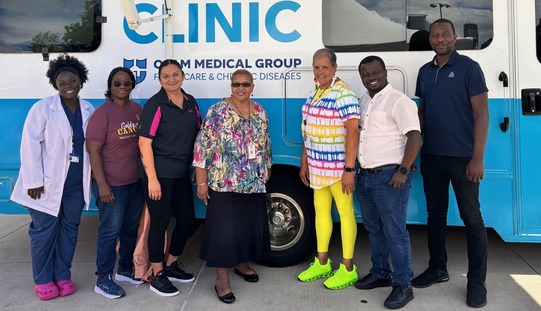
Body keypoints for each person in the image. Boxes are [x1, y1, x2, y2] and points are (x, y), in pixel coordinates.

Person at [412, 19, 489, 309]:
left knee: (472, 220)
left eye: (445, 34)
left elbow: (482, 114)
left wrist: (477, 158)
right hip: (432, 156)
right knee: (435, 216)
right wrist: (415, 152)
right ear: (430, 39)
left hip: (463, 159)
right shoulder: (424, 71)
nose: (440, 39)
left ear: (455, 37)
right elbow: (422, 114)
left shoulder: (469, 68)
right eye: (435, 35)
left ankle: (477, 282)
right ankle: (437, 268)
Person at [10, 54, 94, 301]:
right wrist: (33, 180)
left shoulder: (88, 108)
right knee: (44, 231)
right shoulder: (42, 108)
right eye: (62, 82)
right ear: (55, 85)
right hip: (45, 183)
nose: (68, 85)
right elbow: (30, 145)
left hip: (76, 184)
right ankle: (43, 280)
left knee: (70, 230)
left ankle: (62, 275)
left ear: (81, 81)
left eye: (73, 80)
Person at [193, 69, 272, 304]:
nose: (241, 88)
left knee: (248, 226)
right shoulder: (217, 111)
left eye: (245, 84)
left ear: (252, 86)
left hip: (253, 182)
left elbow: (266, 143)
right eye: (236, 84)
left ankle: (242, 264)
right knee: (223, 233)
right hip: (224, 182)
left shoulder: (259, 111)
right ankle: (221, 280)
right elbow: (202, 148)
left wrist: (267, 169)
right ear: (230, 86)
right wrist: (201, 182)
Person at [354, 56, 421, 309]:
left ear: (385, 73)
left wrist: (403, 170)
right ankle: (381, 272)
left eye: (375, 72)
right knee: (374, 229)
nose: (371, 77)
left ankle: (403, 285)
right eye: (366, 74)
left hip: (390, 177)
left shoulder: (399, 101)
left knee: (395, 233)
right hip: (366, 177)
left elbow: (415, 136)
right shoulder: (363, 102)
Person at [298, 48, 360, 290]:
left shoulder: (343, 93)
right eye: (316, 67)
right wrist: (305, 160)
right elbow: (307, 128)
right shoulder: (314, 92)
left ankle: (347, 268)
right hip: (317, 166)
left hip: (337, 168)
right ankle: (322, 262)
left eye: (325, 67)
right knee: (321, 212)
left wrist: (349, 169)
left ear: (335, 68)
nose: (320, 71)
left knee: (345, 214)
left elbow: (353, 131)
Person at [138, 59, 201, 297]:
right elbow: (144, 143)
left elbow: (198, 134)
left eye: (176, 74)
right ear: (160, 80)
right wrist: (152, 179)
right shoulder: (155, 105)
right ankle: (157, 274)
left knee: (187, 220)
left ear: (182, 76)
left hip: (181, 172)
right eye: (166, 76)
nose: (171, 79)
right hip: (159, 174)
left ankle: (171, 263)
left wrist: (196, 165)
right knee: (160, 223)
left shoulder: (190, 102)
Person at [86, 67, 144, 299]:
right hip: (112, 185)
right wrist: (102, 184)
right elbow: (93, 152)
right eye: (117, 83)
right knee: (110, 231)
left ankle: (126, 269)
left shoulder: (137, 110)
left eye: (126, 83)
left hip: (135, 183)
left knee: (130, 228)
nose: (122, 87)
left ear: (132, 86)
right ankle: (103, 279)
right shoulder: (102, 114)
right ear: (110, 86)